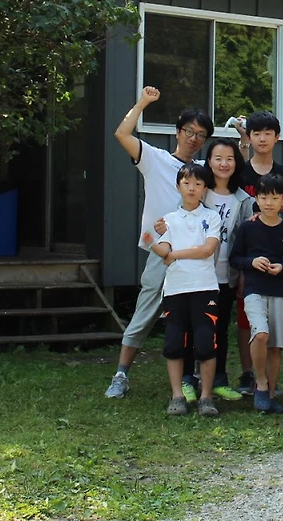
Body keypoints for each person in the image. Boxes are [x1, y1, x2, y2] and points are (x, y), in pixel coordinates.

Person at [105, 86, 214, 400]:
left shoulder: (204, 171)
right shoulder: (155, 159)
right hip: (161, 252)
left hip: (194, 255)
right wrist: (143, 102)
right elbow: (122, 134)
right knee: (146, 311)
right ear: (178, 132)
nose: (194, 138)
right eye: (189, 131)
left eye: (201, 134)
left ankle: (192, 378)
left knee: (195, 316)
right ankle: (121, 374)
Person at [176, 138, 252, 402]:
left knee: (219, 329)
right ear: (208, 161)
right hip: (195, 273)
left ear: (236, 163)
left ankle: (219, 379)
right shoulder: (199, 190)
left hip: (225, 274)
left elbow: (245, 240)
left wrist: (241, 275)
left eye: (229, 159)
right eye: (218, 158)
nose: (223, 164)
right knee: (190, 327)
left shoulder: (243, 199)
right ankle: (188, 379)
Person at [148, 163, 223, 417]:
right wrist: (151, 240)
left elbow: (207, 250)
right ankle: (177, 395)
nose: (192, 188)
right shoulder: (168, 220)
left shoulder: (211, 217)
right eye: (187, 183)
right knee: (174, 343)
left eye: (198, 184)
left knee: (205, 343)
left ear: (205, 189)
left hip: (205, 288)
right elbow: (163, 251)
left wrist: (175, 255)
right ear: (178, 186)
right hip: (175, 290)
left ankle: (206, 397)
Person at [228, 173, 283, 414]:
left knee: (276, 346)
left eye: (274, 197)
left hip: (281, 291)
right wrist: (251, 262)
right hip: (254, 290)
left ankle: (270, 395)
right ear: (256, 199)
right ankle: (260, 383)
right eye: (263, 197)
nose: (269, 203)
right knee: (260, 334)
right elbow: (235, 258)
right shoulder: (248, 227)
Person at [232, 110, 283, 197]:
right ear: (249, 138)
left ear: (276, 137)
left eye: (267, 134)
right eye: (257, 134)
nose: (262, 139)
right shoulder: (238, 173)